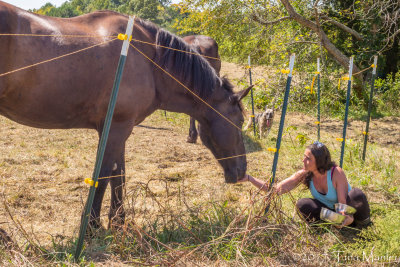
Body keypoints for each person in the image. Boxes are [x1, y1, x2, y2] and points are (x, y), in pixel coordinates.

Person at [238, 141, 371, 227]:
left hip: (346, 211)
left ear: (319, 162)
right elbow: (275, 190)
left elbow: (342, 204)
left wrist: (345, 219)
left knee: (356, 194)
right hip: (331, 215)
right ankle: (331, 226)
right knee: (303, 204)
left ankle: (361, 224)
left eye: (308, 158)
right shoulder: (304, 174)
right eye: (304, 156)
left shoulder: (336, 173)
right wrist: (250, 178)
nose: (303, 160)